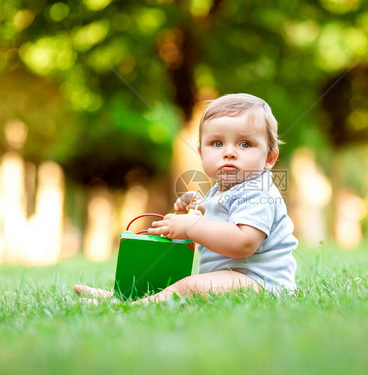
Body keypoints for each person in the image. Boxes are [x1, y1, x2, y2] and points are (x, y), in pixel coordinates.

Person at [74, 93, 298, 303]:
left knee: (188, 287)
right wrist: (199, 207)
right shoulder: (224, 189)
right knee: (175, 282)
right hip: (236, 277)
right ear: (201, 153)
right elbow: (222, 218)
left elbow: (244, 242)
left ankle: (133, 306)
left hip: (262, 283)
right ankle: (125, 296)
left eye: (245, 144)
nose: (229, 152)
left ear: (269, 158)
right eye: (217, 143)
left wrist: (192, 225)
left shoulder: (258, 192)